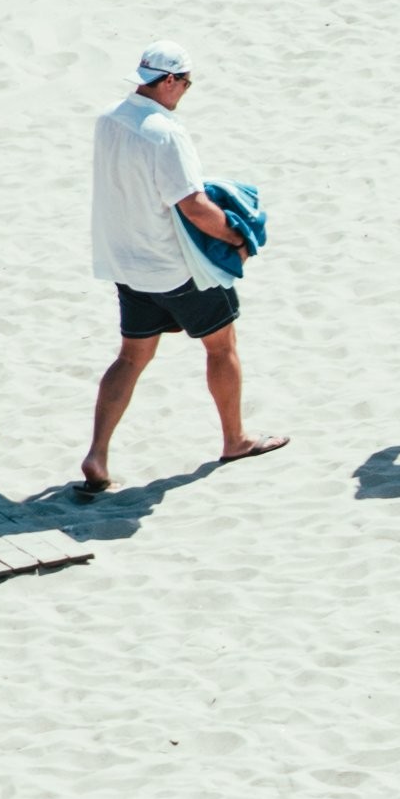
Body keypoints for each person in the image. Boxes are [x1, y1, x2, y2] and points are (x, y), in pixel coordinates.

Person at [80, 45, 284, 492]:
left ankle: (97, 454)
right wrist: (235, 235)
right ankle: (236, 439)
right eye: (186, 83)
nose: (186, 92)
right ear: (169, 80)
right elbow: (192, 205)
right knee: (221, 346)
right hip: (175, 268)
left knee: (131, 357)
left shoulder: (109, 119)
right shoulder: (165, 133)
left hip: (126, 263)